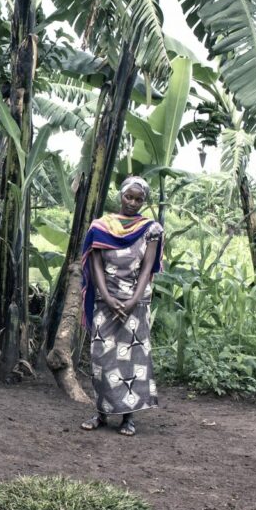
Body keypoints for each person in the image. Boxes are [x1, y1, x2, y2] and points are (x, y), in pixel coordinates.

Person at [79, 176, 164, 436]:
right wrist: (107, 296)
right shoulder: (100, 227)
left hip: (135, 303)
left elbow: (147, 268)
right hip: (106, 301)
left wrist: (132, 301)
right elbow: (95, 266)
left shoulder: (152, 229)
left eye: (139, 199)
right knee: (101, 358)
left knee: (132, 358)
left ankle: (128, 418)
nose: (133, 203)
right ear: (121, 195)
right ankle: (102, 413)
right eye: (129, 196)